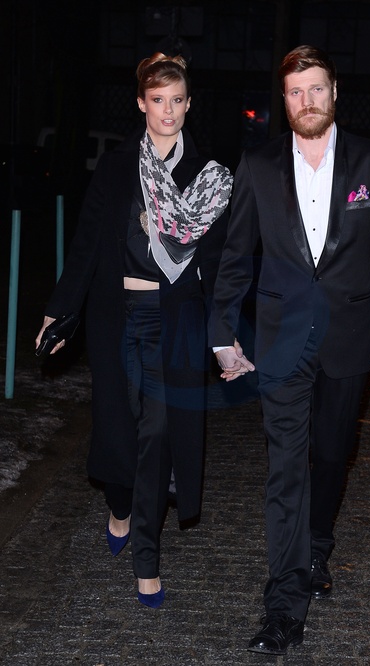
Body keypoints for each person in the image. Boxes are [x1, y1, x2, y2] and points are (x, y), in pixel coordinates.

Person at [208, 44, 370, 655]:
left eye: (316, 88)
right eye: (296, 92)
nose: (307, 101)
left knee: (331, 453)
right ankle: (284, 606)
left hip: (351, 339)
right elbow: (236, 255)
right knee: (286, 469)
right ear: (285, 100)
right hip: (282, 343)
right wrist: (222, 333)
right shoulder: (259, 165)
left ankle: (318, 541)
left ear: (334, 92)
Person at [35, 53, 232, 609]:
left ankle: (148, 560)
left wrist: (225, 333)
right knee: (119, 431)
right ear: (141, 103)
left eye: (177, 100)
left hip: (175, 322)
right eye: (157, 100)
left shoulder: (210, 176)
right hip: (115, 317)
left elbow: (220, 264)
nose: (168, 110)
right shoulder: (117, 167)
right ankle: (118, 508)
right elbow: (87, 244)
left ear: (188, 105)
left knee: (158, 436)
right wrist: (59, 309)